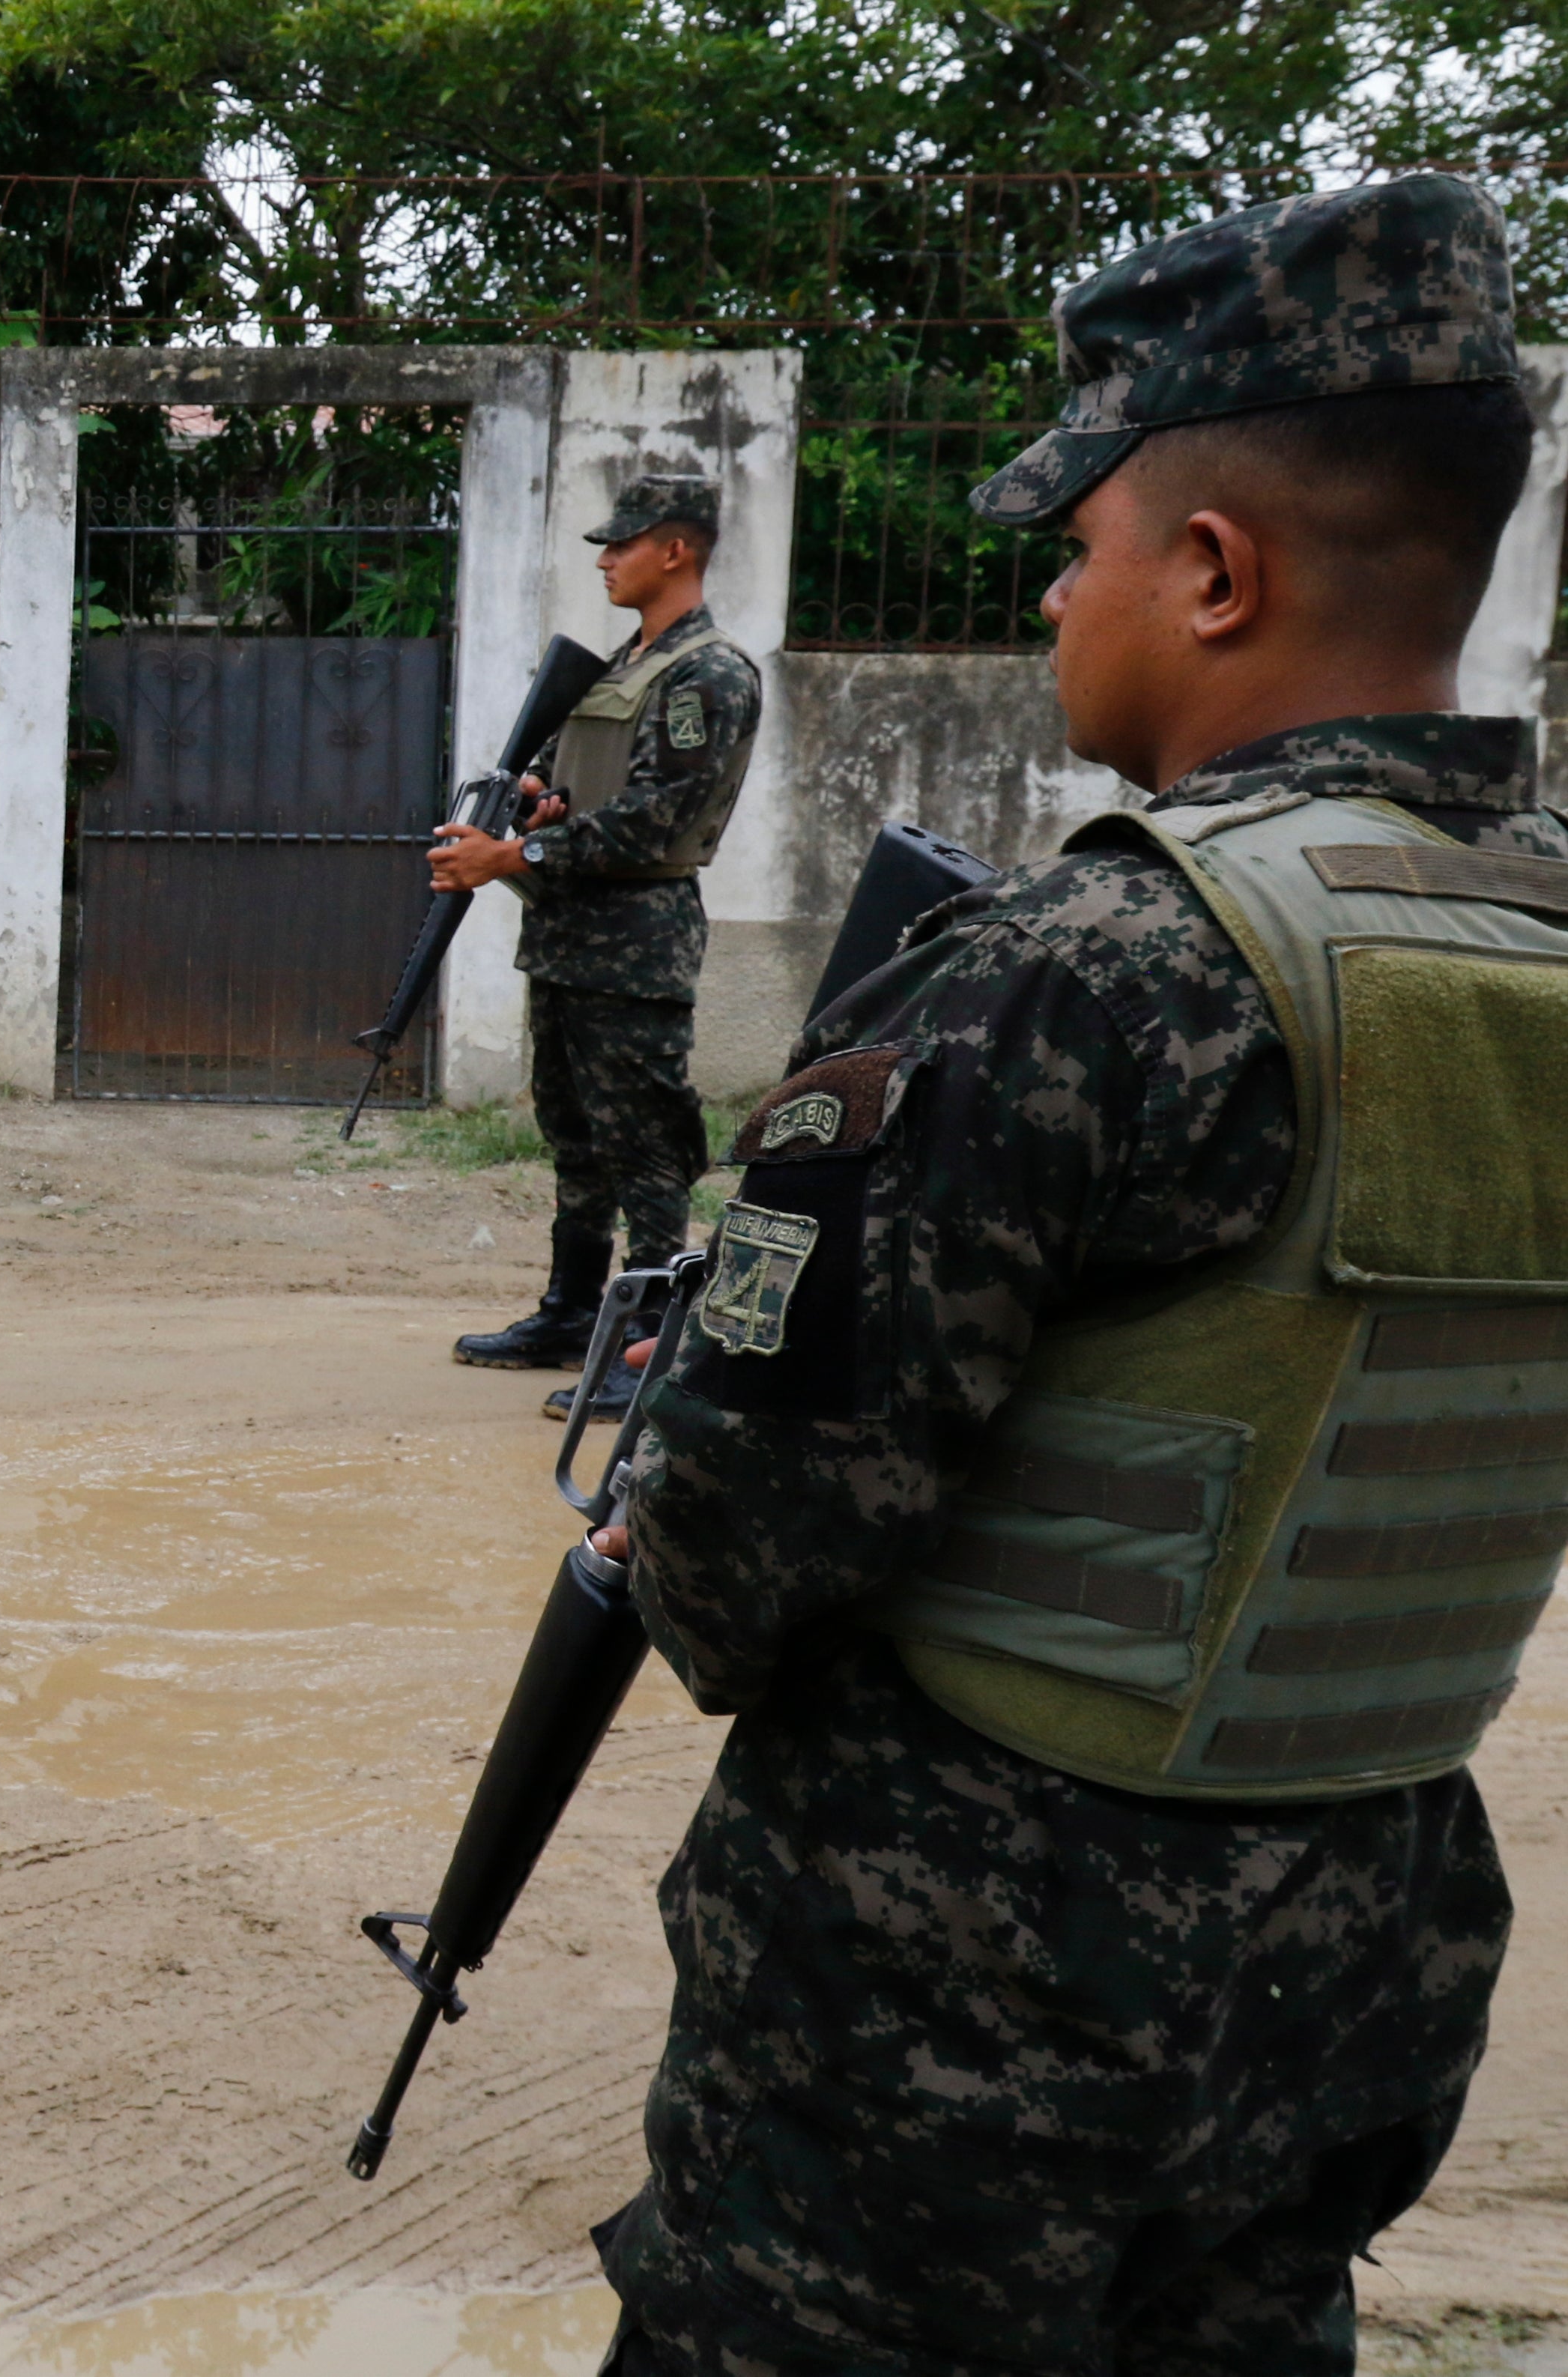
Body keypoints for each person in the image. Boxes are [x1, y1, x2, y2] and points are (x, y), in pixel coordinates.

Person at [593, 172, 1558, 2376]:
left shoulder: (1061, 980)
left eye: (1072, 540)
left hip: (943, 2060)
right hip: (1342, 1999)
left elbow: (729, 1562)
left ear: (1207, 571)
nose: (1045, 593)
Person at [432, 473, 760, 1417]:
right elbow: (586, 782)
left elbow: (659, 819)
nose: (605, 559)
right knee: (574, 1142)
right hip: (569, 937)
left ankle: (649, 1346)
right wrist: (540, 802)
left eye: (622, 543)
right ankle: (572, 1314)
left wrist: (516, 849)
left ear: (677, 549)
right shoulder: (624, 662)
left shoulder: (709, 672)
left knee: (645, 1155)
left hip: (636, 945)